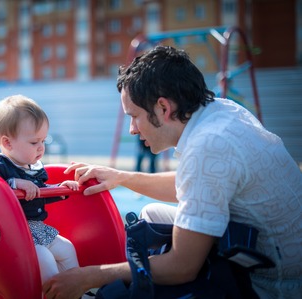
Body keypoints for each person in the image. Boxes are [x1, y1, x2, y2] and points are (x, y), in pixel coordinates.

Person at [43, 46, 302, 299]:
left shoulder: (208, 146)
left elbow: (182, 268)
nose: (132, 129)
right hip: (265, 251)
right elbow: (192, 185)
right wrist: (121, 177)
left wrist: (89, 276)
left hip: (271, 284)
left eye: (134, 116)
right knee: (151, 216)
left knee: (114, 292)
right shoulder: (222, 112)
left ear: (163, 108)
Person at [0, 95, 94, 297]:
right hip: (13, 235)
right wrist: (14, 184)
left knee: (67, 249)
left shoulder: (32, 167)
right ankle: (53, 295)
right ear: (7, 143)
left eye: (43, 140)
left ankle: (77, 290)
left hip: (37, 230)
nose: (41, 147)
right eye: (34, 142)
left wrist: (59, 190)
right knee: (44, 258)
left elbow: (40, 192)